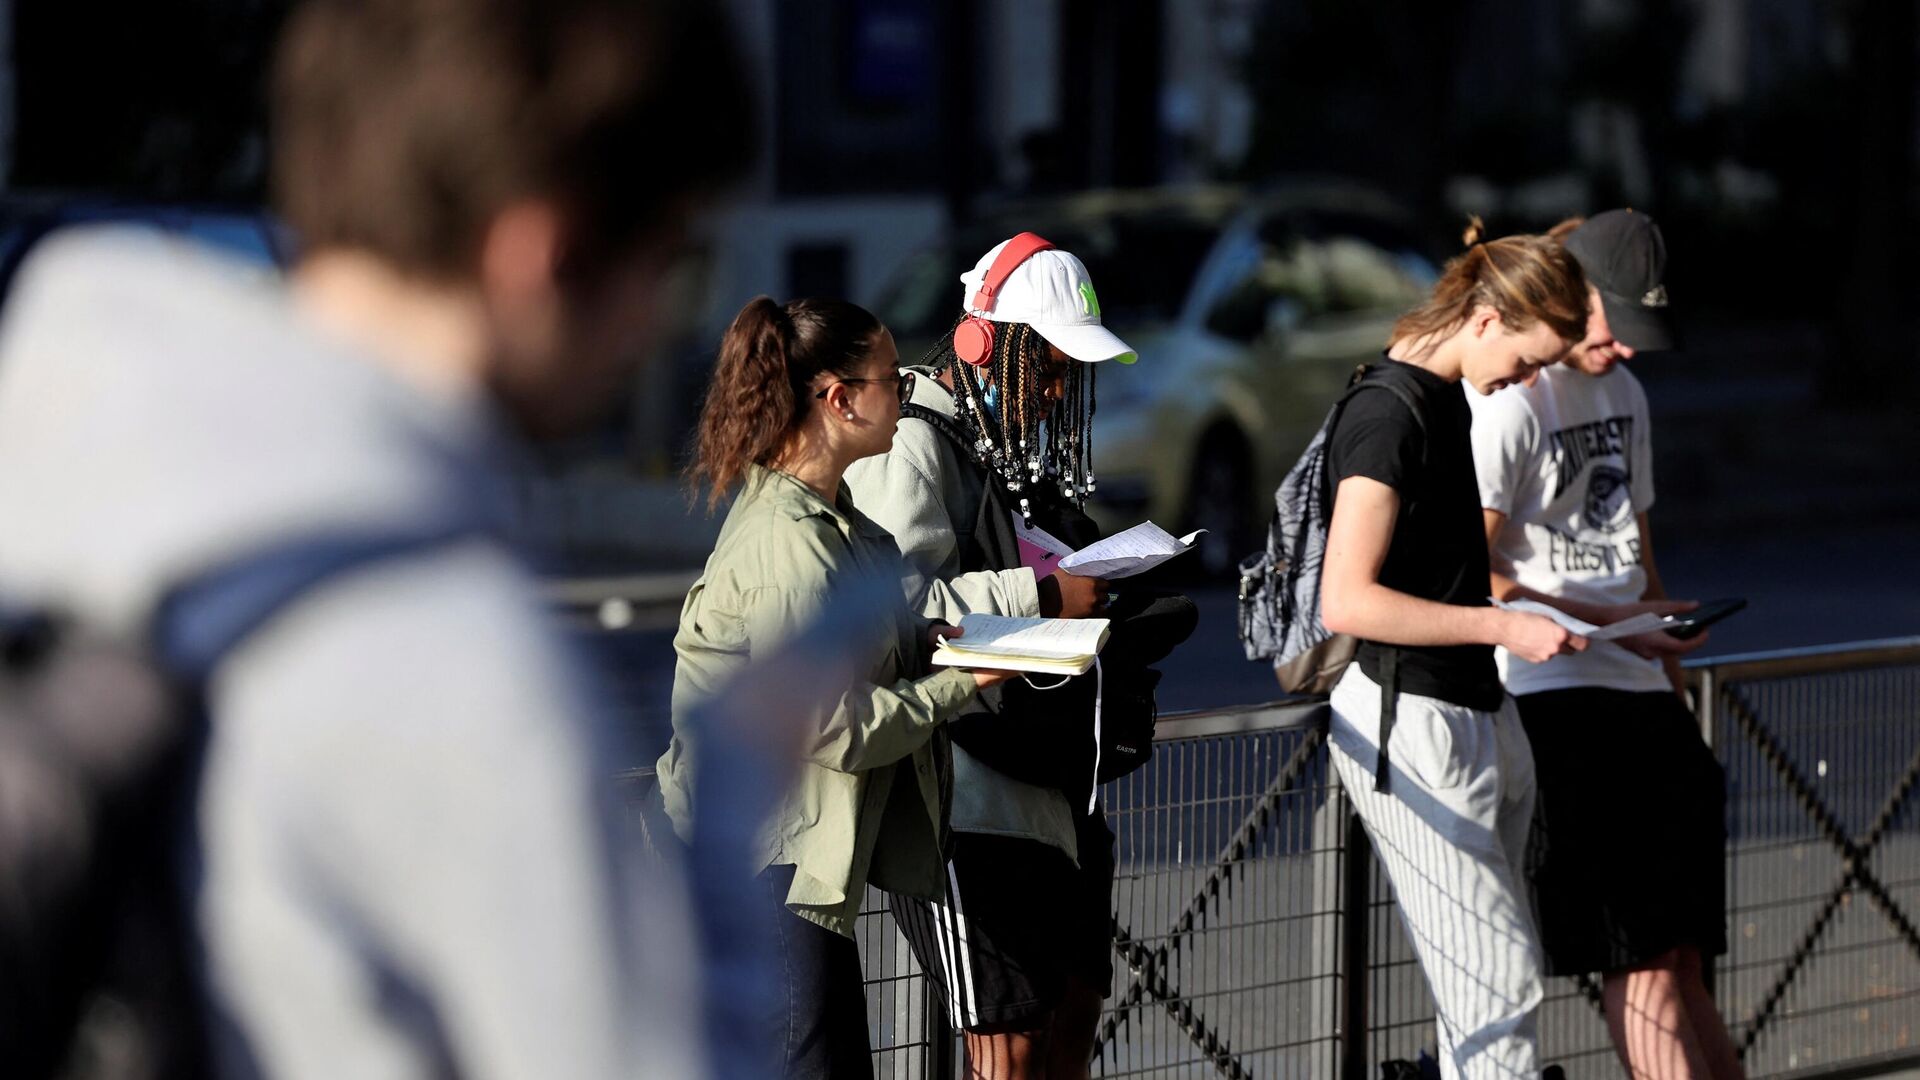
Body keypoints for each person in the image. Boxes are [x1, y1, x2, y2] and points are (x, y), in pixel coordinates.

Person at [0, 1, 752, 1077]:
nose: (658, 327)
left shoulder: (46, 446)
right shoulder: (471, 676)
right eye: (673, 270)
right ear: (541, 253)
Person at [844, 234, 1193, 1079]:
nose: (1056, 390)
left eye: (1072, 370)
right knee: (1010, 1049)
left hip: (1045, 790)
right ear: (979, 341)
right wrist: (1044, 600)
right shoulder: (914, 445)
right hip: (964, 802)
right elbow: (904, 617)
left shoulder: (999, 446)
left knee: (1071, 1015)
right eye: (1045, 364)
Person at [659, 295, 1013, 1080]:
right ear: (839, 398)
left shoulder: (833, 517)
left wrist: (927, 644)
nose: (910, 394)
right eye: (894, 378)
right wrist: (963, 683)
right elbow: (839, 728)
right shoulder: (794, 542)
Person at [1317, 219, 1592, 1079]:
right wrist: (1503, 625)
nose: (1530, 379)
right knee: (1497, 988)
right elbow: (1345, 598)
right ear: (1484, 320)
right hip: (1413, 719)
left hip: (1470, 711)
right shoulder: (1387, 414)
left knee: (1489, 989)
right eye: (1531, 356)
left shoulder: (1436, 394)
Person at [1469, 210, 1741, 1079]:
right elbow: (1470, 574)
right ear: (1570, 295)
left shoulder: (1627, 391)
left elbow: (1636, 545)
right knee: (1645, 963)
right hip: (1558, 699)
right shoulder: (1515, 402)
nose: (1625, 353)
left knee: (1685, 962)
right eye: (1616, 330)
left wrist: (1661, 627)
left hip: (1643, 696)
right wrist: (1585, 616)